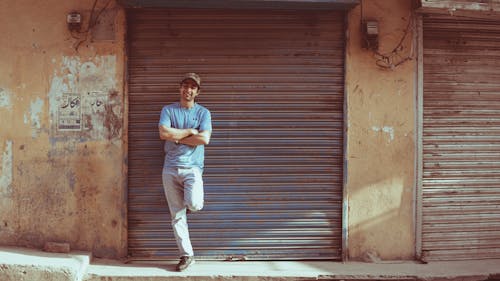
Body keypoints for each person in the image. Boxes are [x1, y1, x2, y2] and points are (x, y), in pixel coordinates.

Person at [158, 73, 212, 272]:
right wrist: (190, 132)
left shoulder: (203, 113)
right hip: (170, 167)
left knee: (195, 204)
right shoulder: (168, 110)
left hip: (193, 168)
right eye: (185, 85)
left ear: (197, 92)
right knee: (177, 215)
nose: (187, 90)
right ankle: (187, 255)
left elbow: (205, 139)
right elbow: (163, 133)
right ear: (179, 88)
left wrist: (176, 137)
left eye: (192, 87)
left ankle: (189, 203)